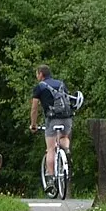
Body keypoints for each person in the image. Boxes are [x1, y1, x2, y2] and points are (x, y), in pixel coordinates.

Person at [27, 65, 76, 195]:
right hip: (67, 118)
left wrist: (33, 124)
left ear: (41, 74)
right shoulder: (61, 84)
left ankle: (51, 180)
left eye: (37, 74)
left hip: (52, 119)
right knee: (64, 137)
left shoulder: (40, 87)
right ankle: (66, 152)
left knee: (50, 149)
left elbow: (34, 108)